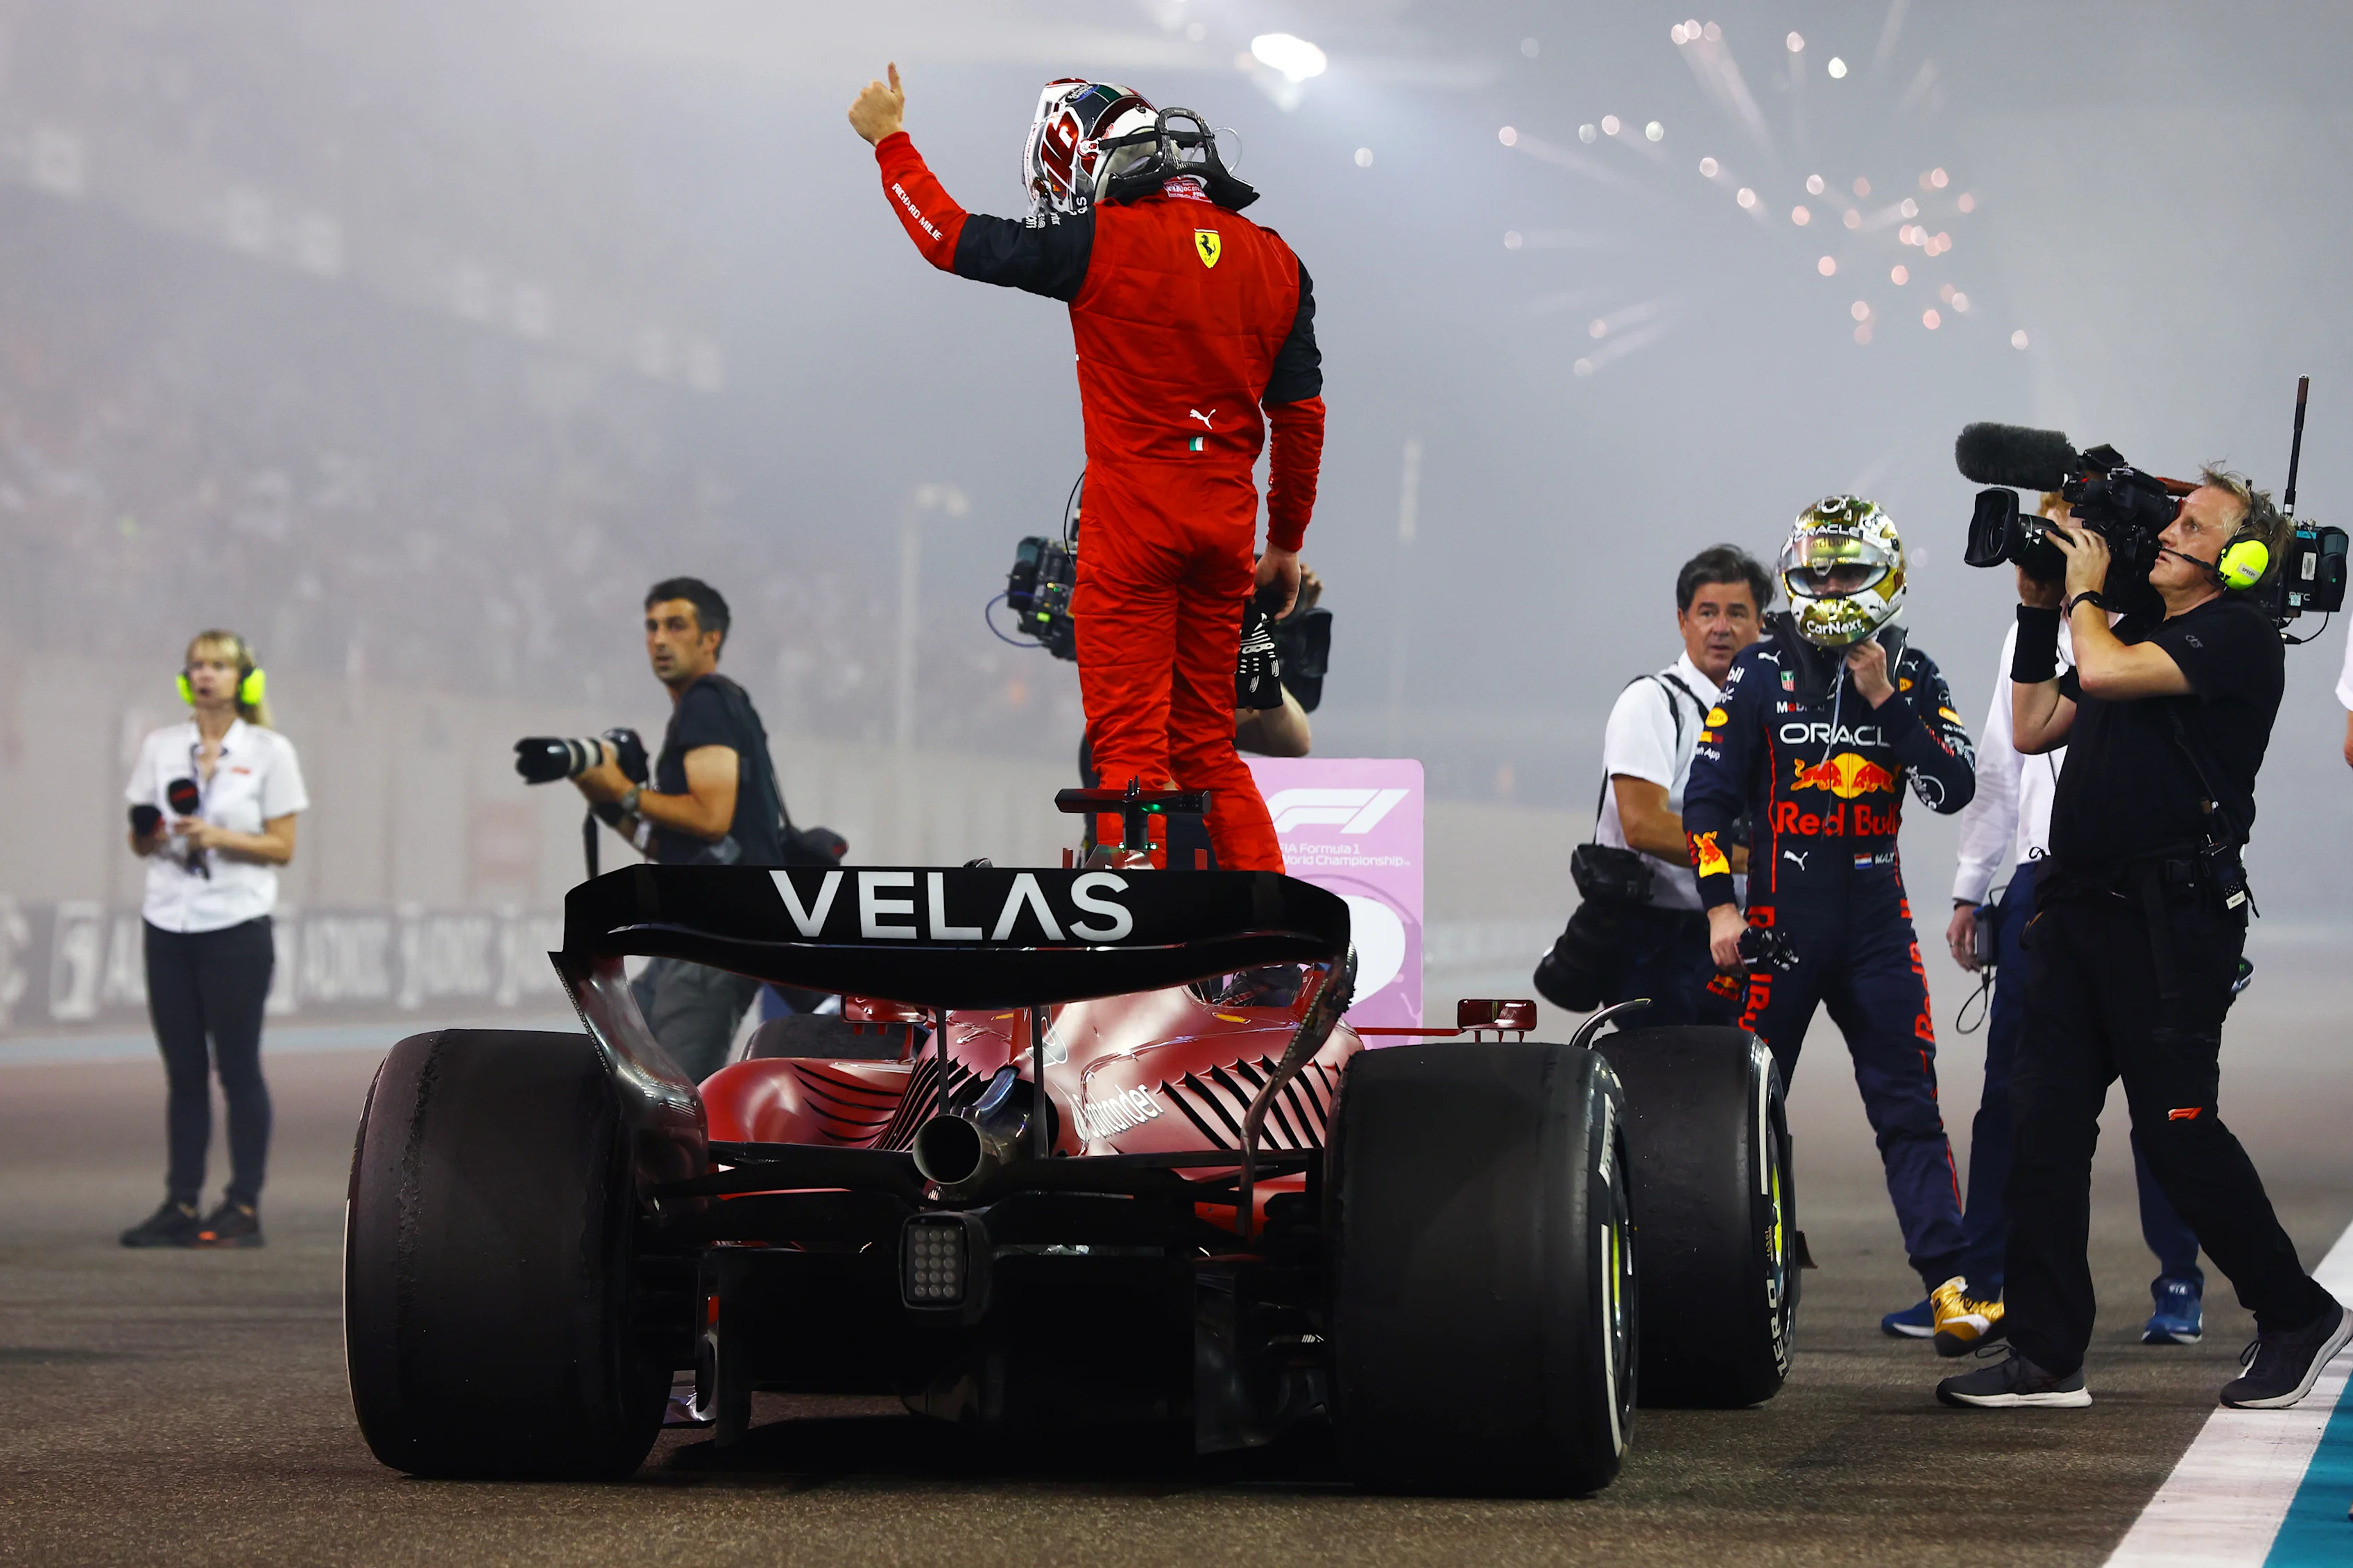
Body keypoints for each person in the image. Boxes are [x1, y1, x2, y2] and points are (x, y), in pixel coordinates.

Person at [1938, 469, 2348, 1411]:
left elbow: (2106, 675)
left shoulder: (2237, 635)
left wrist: (2084, 595)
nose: (2168, 532)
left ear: (2241, 559)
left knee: (2176, 1132)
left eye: (2193, 525)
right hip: (2078, 914)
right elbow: (2033, 724)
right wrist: (2038, 608)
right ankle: (2045, 1355)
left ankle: (2297, 1313)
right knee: (2042, 1127)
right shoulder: (2135, 630)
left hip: (2170, 924)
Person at [849, 65, 1324, 872]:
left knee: (1130, 748)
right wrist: (1282, 544)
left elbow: (946, 237)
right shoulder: (1279, 260)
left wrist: (889, 141)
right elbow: (1302, 418)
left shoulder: (1099, 238)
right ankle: (1270, 930)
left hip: (1133, 523)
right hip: (1224, 528)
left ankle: (1127, 924)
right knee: (1207, 749)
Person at [1682, 498, 1980, 1343]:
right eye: (1816, 573)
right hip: (1776, 930)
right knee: (1740, 1112)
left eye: (1848, 572)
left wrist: (1884, 698)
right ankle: (1720, 1284)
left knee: (1908, 1106)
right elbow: (1704, 799)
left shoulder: (1914, 671)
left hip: (1878, 930)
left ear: (1884, 576)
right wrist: (1720, 906)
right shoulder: (1758, 668)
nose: (1831, 588)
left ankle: (1949, 1285)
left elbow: (1953, 787)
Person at [1941, 496, 2205, 1359]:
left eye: (2065, 532)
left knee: (2159, 1098)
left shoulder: (2149, 629)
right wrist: (1970, 887)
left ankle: (2177, 1279)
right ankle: (1981, 1282)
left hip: (2133, 886)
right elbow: (1999, 763)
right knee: (2012, 1096)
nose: (2048, 549)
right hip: (2037, 880)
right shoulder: (2026, 637)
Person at [119, 630, 308, 1249]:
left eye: (220, 665)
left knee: (237, 1067)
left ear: (245, 679)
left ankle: (243, 1204)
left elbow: (283, 846)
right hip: (168, 923)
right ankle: (180, 1200)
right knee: (183, 1071)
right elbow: (138, 838)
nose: (206, 675)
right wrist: (150, 834)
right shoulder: (160, 746)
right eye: (197, 665)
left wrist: (219, 837)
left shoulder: (270, 751)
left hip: (235, 926)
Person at [1536, 545, 1770, 1025]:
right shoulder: (1653, 702)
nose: (1721, 627)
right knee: (1668, 1069)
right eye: (1706, 612)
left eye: (1736, 613)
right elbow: (1642, 824)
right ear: (1683, 621)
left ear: (1760, 624)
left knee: (1738, 1069)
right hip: (1656, 940)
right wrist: (1755, 859)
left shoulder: (1765, 713)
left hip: (1735, 933)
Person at [570, 578, 788, 1083]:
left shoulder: (705, 703)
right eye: (651, 627)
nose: (659, 640)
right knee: (624, 1069)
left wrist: (625, 790)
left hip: (715, 935)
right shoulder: (714, 704)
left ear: (711, 639)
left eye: (675, 626)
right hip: (691, 935)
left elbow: (710, 817)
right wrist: (605, 801)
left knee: (672, 1095)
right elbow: (669, 847)